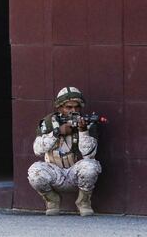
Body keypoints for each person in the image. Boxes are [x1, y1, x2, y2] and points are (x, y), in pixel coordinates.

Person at [27, 86, 102, 216]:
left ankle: (83, 201)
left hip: (75, 171)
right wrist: (57, 132)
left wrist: (83, 131)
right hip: (54, 171)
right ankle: (52, 200)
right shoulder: (48, 122)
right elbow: (37, 149)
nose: (74, 110)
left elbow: (89, 154)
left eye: (77, 107)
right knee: (35, 172)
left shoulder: (87, 123)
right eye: (69, 107)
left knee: (91, 166)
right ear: (60, 107)